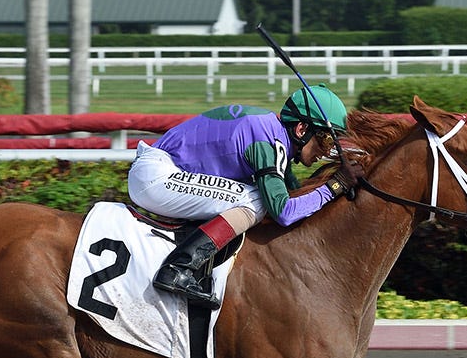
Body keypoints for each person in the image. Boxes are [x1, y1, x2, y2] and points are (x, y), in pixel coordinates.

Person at [127, 83, 357, 309]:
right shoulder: (266, 142)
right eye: (327, 140)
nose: (327, 151)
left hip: (158, 173)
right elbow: (284, 211)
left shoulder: (272, 133)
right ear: (301, 129)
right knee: (255, 200)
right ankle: (178, 267)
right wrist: (335, 186)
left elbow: (292, 193)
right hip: (157, 177)